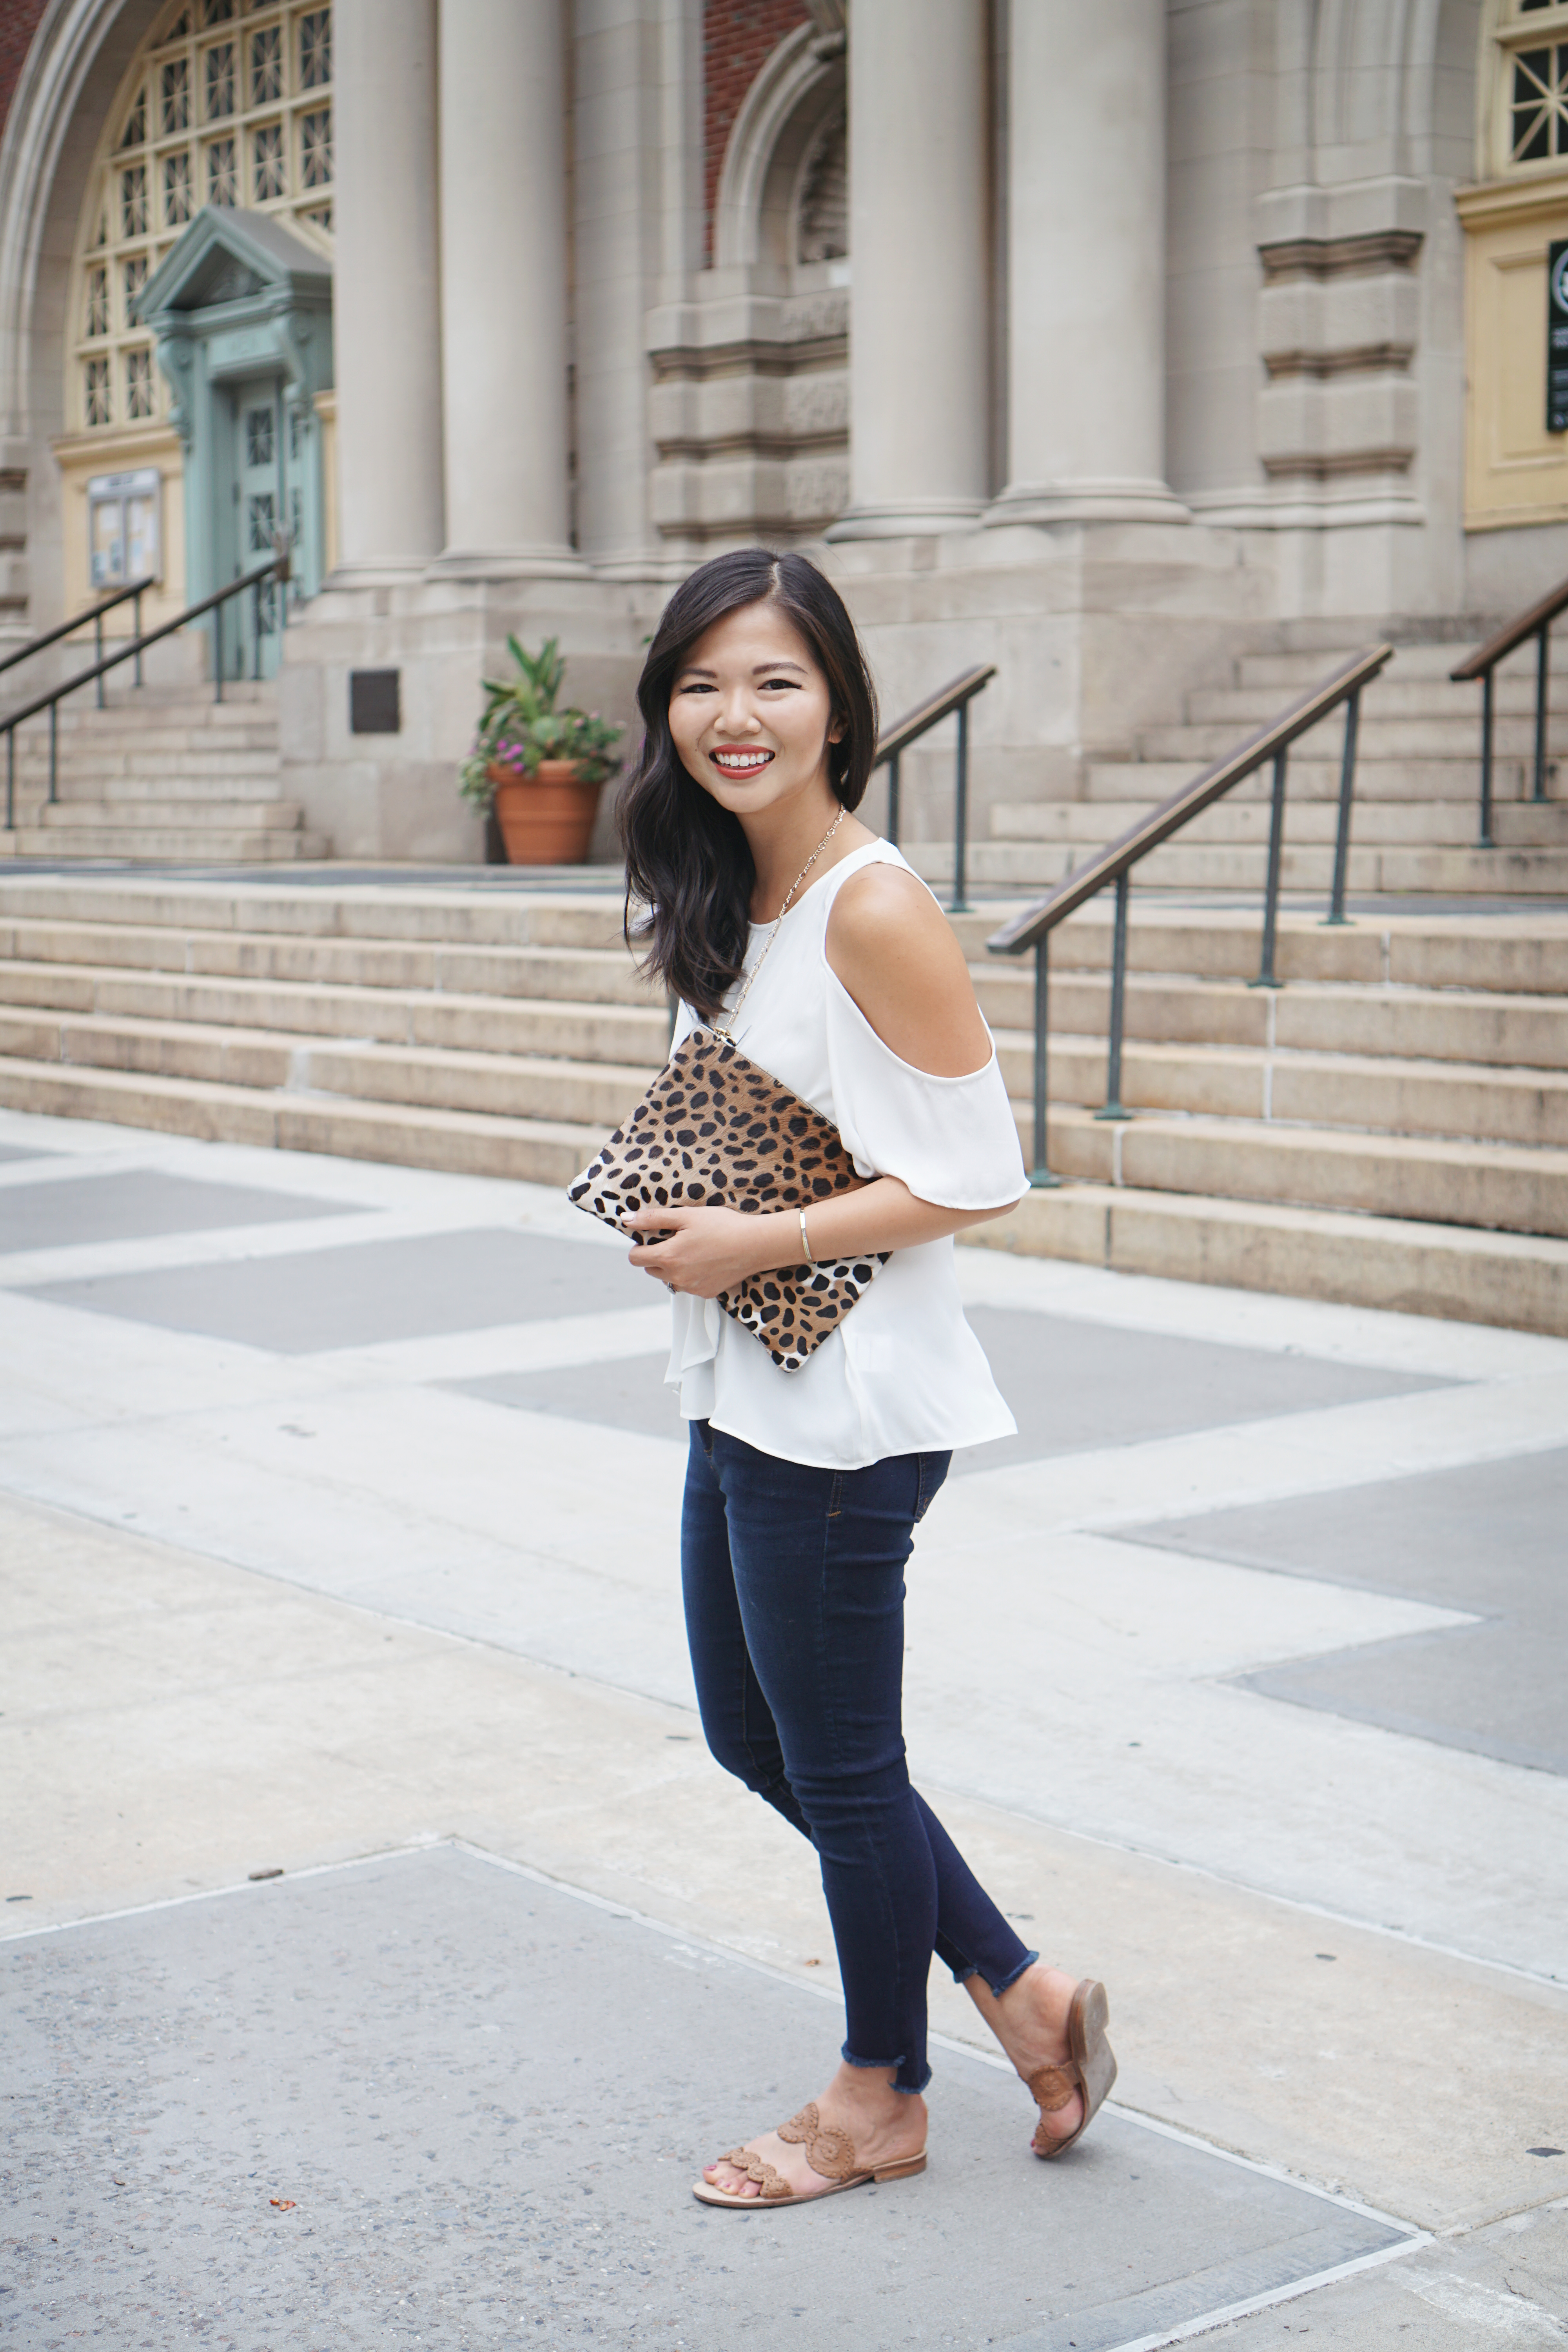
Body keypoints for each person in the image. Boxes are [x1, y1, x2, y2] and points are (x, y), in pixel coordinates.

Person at [615, 547, 1116, 2209]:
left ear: (837, 702)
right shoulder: (733, 892)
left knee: (828, 1762)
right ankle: (1022, 1994)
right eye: (700, 682)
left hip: (848, 1408)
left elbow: (982, 1174)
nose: (732, 715)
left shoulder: (870, 901)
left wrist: (743, 1244)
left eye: (772, 679)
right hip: (753, 1379)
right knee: (758, 1738)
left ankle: (878, 2096)